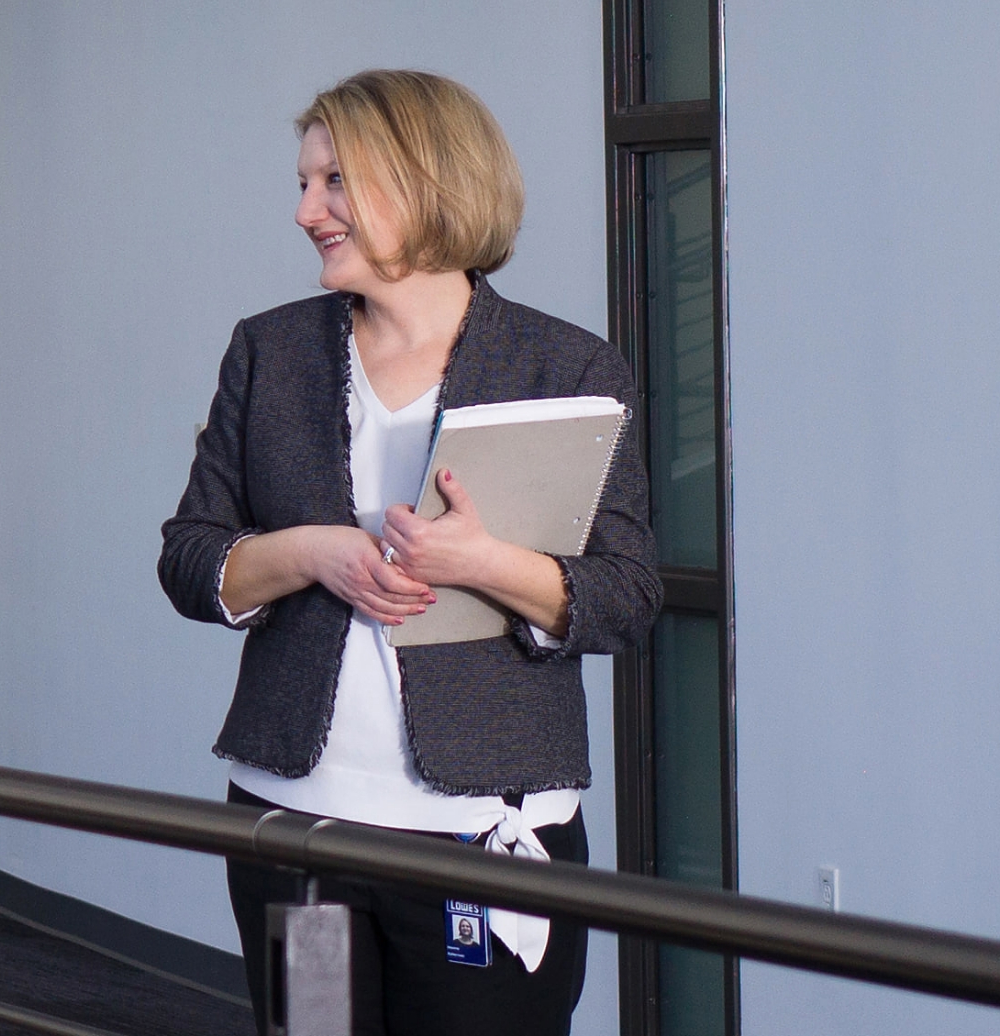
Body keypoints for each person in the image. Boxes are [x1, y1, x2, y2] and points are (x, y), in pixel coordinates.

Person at [157, 69, 659, 1036]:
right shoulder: (269, 352)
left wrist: (480, 562)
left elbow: (627, 597)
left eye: (334, 181)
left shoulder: (570, 367)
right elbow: (190, 560)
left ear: (423, 181)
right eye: (306, 183)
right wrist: (312, 551)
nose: (307, 211)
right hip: (290, 828)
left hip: (486, 835)